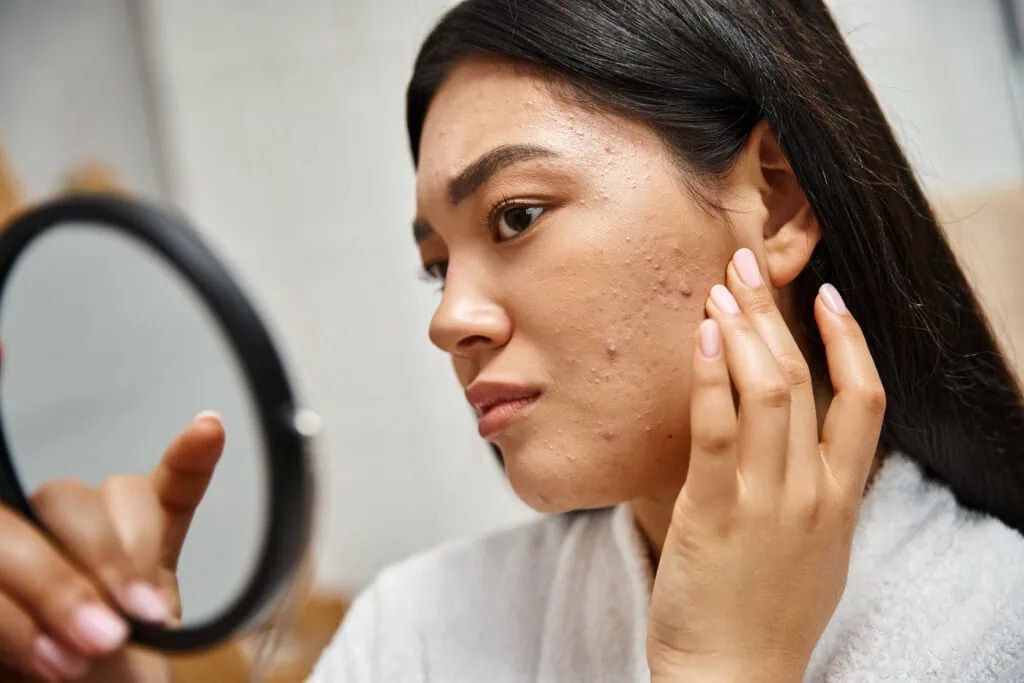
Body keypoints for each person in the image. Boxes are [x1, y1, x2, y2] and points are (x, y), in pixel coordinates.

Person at [0, 1, 1022, 681]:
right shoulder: (416, 630)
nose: (448, 318)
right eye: (435, 264)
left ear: (777, 197)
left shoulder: (995, 626)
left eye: (516, 216)